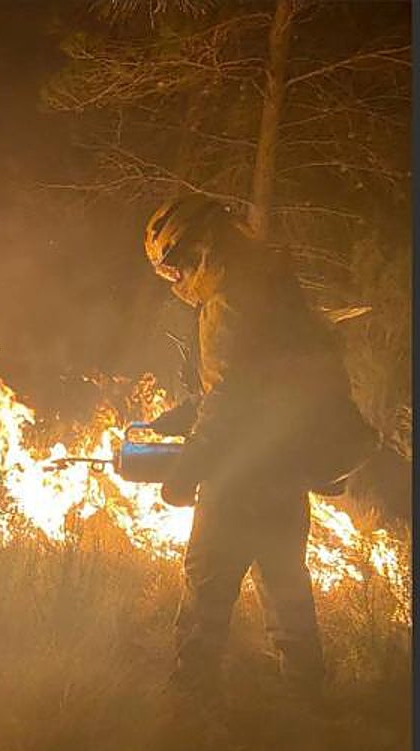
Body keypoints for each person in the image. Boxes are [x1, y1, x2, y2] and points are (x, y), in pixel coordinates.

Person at [142, 194, 377, 700]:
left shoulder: (228, 298)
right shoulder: (268, 282)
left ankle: (189, 702)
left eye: (174, 269)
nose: (176, 282)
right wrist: (184, 414)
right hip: (286, 467)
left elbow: (231, 397)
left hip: (240, 474)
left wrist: (188, 470)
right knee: (285, 581)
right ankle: (306, 703)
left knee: (207, 583)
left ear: (198, 249)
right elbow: (257, 377)